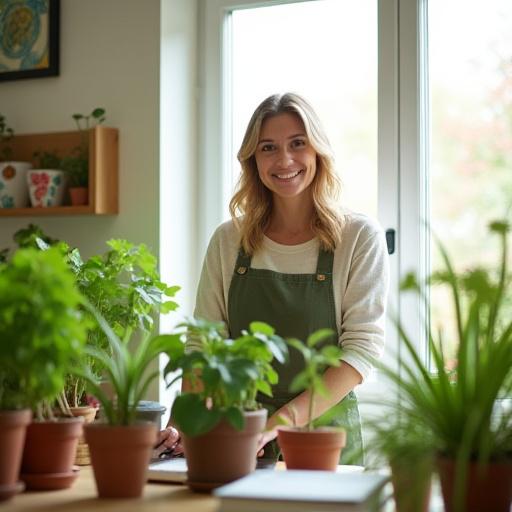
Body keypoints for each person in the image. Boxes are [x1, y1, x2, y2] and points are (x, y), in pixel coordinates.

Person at [155, 92, 389, 464]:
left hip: (322, 440)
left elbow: (360, 352)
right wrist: (186, 426)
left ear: (317, 152)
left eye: (298, 143)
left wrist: (272, 427)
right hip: (232, 429)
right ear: (253, 160)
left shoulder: (359, 236)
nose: (284, 160)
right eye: (268, 148)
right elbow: (203, 343)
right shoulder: (229, 240)